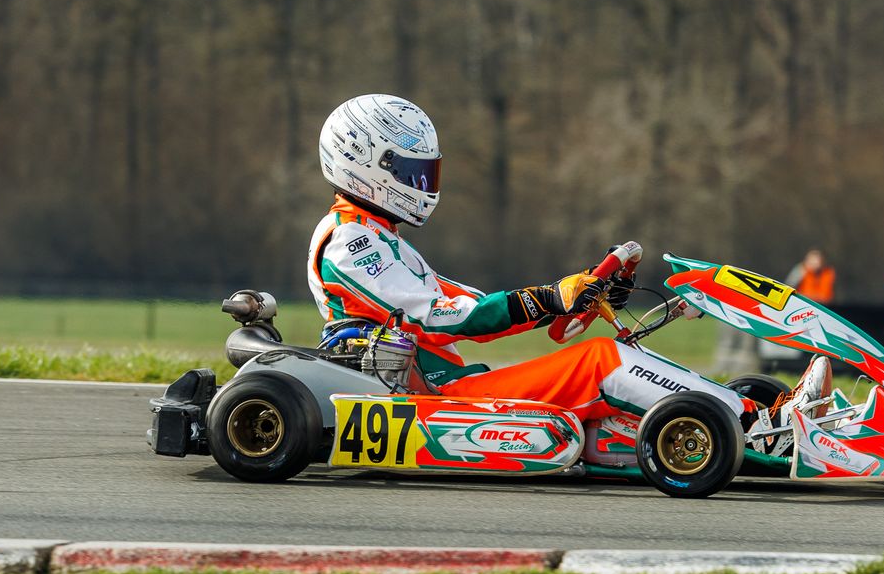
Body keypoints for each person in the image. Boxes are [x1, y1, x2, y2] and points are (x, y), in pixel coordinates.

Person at [309, 93, 828, 428]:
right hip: (434, 399)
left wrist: (569, 299)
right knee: (601, 360)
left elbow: (475, 309)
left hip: (451, 385)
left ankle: (751, 409)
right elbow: (444, 318)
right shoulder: (351, 243)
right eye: (411, 171)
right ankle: (764, 425)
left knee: (610, 356)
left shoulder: (383, 239)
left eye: (426, 172)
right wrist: (547, 298)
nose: (422, 184)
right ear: (366, 165)